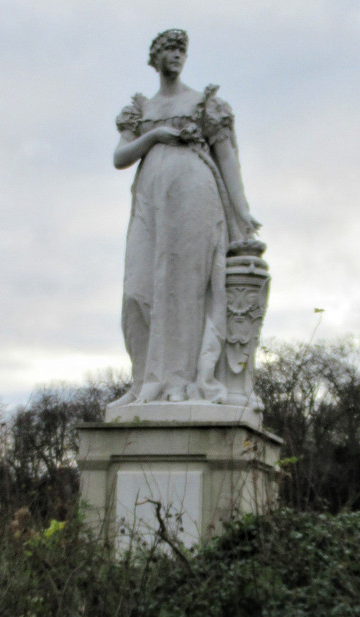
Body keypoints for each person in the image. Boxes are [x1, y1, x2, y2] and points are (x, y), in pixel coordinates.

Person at [111, 29, 260, 406]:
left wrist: (242, 216)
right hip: (150, 201)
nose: (178, 56)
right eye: (170, 49)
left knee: (183, 287)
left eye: (182, 50)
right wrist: (157, 135)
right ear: (155, 58)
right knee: (138, 290)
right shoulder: (139, 109)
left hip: (195, 195)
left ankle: (181, 380)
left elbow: (228, 160)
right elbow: (120, 158)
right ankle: (146, 379)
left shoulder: (205, 102)